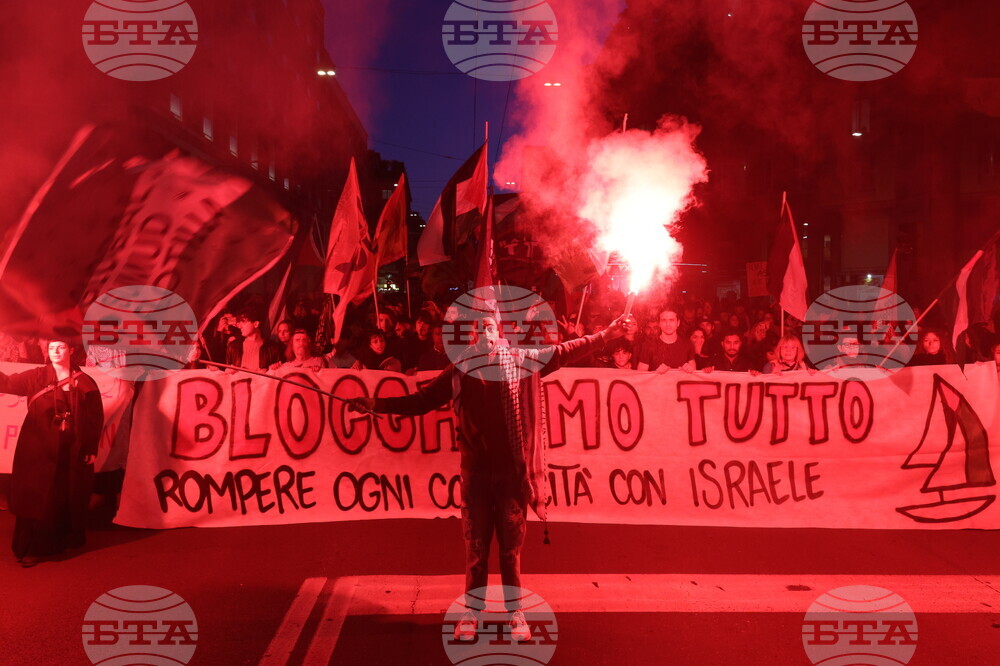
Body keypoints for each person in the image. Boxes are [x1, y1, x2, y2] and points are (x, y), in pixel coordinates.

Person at [347, 313, 631, 643]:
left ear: (500, 333)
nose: (485, 333)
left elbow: (567, 350)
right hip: (476, 474)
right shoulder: (459, 370)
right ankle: (471, 611)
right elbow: (421, 401)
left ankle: (515, 613)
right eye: (478, 329)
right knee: (476, 547)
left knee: (510, 550)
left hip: (512, 474)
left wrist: (607, 335)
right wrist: (375, 404)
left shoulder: (523, 361)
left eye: (490, 327)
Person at [0, 337, 104, 567]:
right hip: (37, 448)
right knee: (37, 497)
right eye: (51, 347)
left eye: (61, 347)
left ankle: (59, 542)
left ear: (72, 350)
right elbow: (5, 383)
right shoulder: (36, 376)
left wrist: (90, 447)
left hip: (70, 450)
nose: (55, 351)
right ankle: (31, 548)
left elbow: (95, 418)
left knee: (63, 495)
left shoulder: (85, 382)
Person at [636, 308, 695, 373]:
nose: (668, 324)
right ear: (659, 324)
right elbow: (640, 375)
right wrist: (655, 373)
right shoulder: (648, 345)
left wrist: (690, 370)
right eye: (664, 320)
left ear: (678, 323)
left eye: (671, 320)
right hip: (657, 383)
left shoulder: (687, 344)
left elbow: (695, 374)